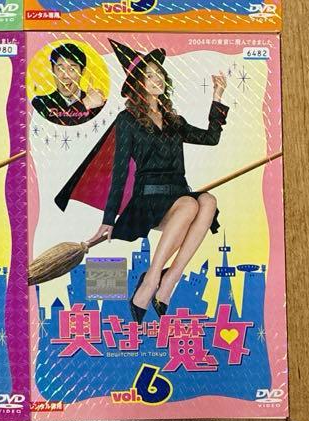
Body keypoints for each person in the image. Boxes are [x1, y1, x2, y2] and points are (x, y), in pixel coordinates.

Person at [55, 40, 227, 323]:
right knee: (189, 204)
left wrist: (217, 97)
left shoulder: (174, 120)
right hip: (148, 199)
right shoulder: (127, 120)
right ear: (138, 84)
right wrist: (109, 218)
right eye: (149, 75)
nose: (156, 78)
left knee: (208, 201)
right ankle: (150, 281)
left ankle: (170, 278)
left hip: (178, 193)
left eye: (159, 73)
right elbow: (120, 172)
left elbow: (211, 138)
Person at [31, 42, 105, 126]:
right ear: (53, 71)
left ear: (82, 71)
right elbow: (53, 128)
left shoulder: (96, 103)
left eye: (72, 69)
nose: (65, 76)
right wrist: (85, 104)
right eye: (60, 69)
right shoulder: (40, 103)